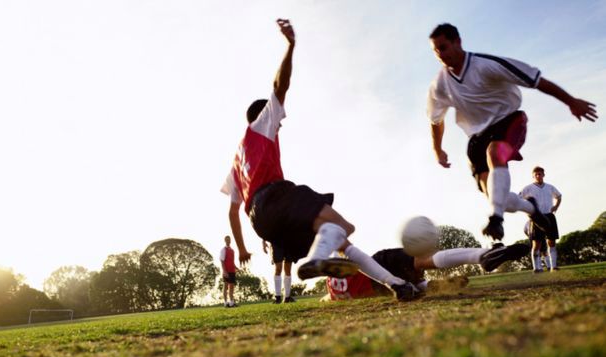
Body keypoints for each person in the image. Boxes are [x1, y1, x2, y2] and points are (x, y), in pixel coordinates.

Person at [220, 19, 420, 301]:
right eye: (277, 122)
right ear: (264, 115)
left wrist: (246, 245)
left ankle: (396, 285)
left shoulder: (236, 163)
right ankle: (315, 260)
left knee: (341, 241)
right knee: (343, 226)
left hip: (262, 220)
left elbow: (233, 213)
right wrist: (290, 47)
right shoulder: (262, 124)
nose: (279, 126)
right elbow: (280, 85)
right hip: (275, 198)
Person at [426, 23, 598, 244]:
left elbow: (536, 81)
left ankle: (496, 219)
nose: (441, 54)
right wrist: (437, 148)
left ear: (458, 42)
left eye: (444, 47)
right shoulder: (439, 85)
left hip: (509, 121)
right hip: (476, 138)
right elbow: (435, 119)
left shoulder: (486, 65)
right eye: (436, 51)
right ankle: (531, 209)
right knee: (497, 198)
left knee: (495, 152)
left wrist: (571, 101)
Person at [324, 243, 529, 301]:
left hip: (378, 289)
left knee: (409, 287)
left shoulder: (335, 295)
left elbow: (328, 297)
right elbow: (346, 255)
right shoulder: (330, 271)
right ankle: (481, 255)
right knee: (422, 261)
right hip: (376, 266)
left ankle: (433, 286)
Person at [520, 166, 562, 272]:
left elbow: (559, 196)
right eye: (536, 174)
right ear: (533, 176)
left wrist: (556, 206)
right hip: (536, 218)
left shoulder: (550, 187)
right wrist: (528, 210)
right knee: (537, 243)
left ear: (543, 174)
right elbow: (518, 199)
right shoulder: (528, 188)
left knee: (551, 242)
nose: (538, 176)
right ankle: (537, 268)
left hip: (549, 216)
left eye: (540, 174)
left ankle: (554, 266)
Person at [220, 235, 238, 307]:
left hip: (232, 271)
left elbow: (232, 261)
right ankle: (225, 302)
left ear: (230, 241)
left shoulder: (232, 250)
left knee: (232, 287)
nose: (228, 241)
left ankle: (231, 303)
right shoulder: (223, 249)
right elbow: (222, 261)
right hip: (226, 271)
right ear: (225, 240)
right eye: (227, 239)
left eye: (229, 239)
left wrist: (236, 267)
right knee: (226, 286)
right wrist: (224, 271)